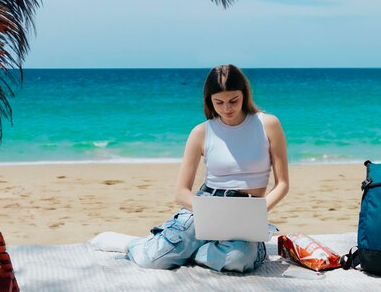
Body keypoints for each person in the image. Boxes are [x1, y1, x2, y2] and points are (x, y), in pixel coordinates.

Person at [123, 64, 289, 272]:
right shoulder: (201, 132)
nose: (227, 108)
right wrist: (210, 211)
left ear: (244, 95)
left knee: (238, 260)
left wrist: (256, 213)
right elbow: (181, 192)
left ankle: (188, 251)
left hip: (246, 212)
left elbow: (282, 184)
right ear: (209, 100)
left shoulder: (268, 124)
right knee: (154, 260)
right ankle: (133, 244)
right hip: (205, 206)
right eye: (219, 102)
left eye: (233, 101)